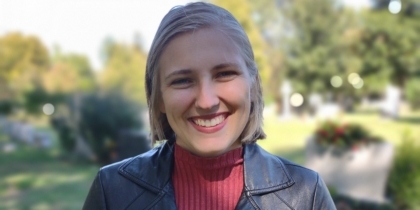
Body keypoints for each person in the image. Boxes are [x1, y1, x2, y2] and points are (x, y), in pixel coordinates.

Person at [83, 2, 336, 209]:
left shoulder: (305, 194)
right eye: (182, 81)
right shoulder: (113, 191)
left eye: (224, 74)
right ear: (158, 97)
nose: (206, 101)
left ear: (254, 86)